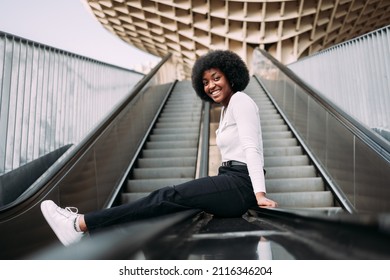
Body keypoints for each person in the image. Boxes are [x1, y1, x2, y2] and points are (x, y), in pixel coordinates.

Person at [41, 49, 278, 247]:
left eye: (216, 78)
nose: (210, 86)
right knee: (171, 208)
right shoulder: (227, 108)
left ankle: (79, 224)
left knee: (166, 196)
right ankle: (101, 235)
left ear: (231, 75)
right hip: (230, 180)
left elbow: (251, 147)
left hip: (240, 183)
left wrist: (259, 194)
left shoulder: (240, 100)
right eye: (205, 82)